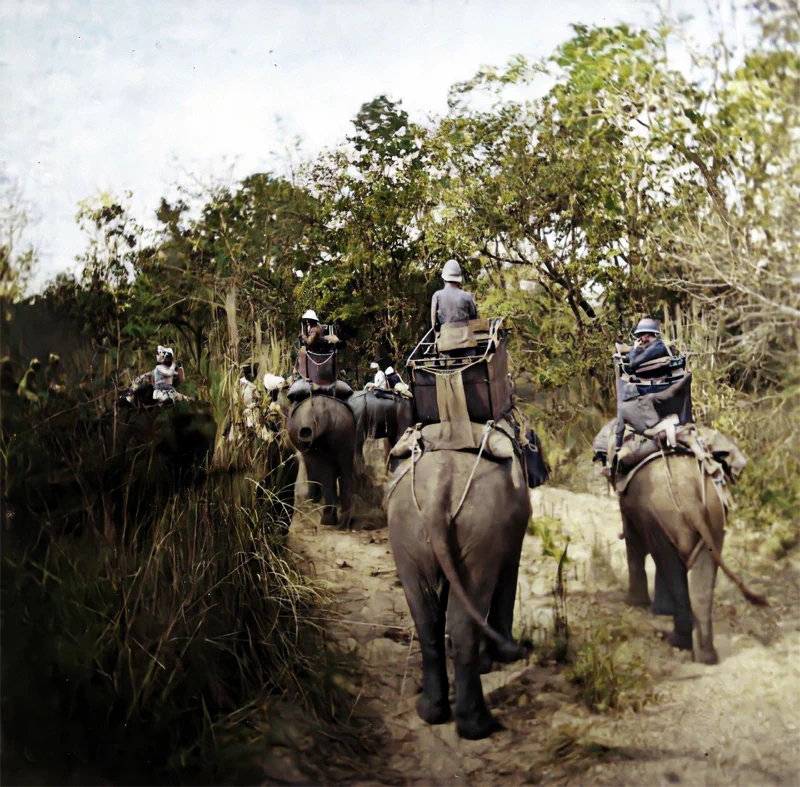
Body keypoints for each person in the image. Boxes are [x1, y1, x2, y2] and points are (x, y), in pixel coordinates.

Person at [430, 259, 478, 333]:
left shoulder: (437, 296)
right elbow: (474, 320)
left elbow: (434, 326)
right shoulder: (468, 296)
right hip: (467, 340)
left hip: (445, 340)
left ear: (444, 279)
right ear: (459, 280)